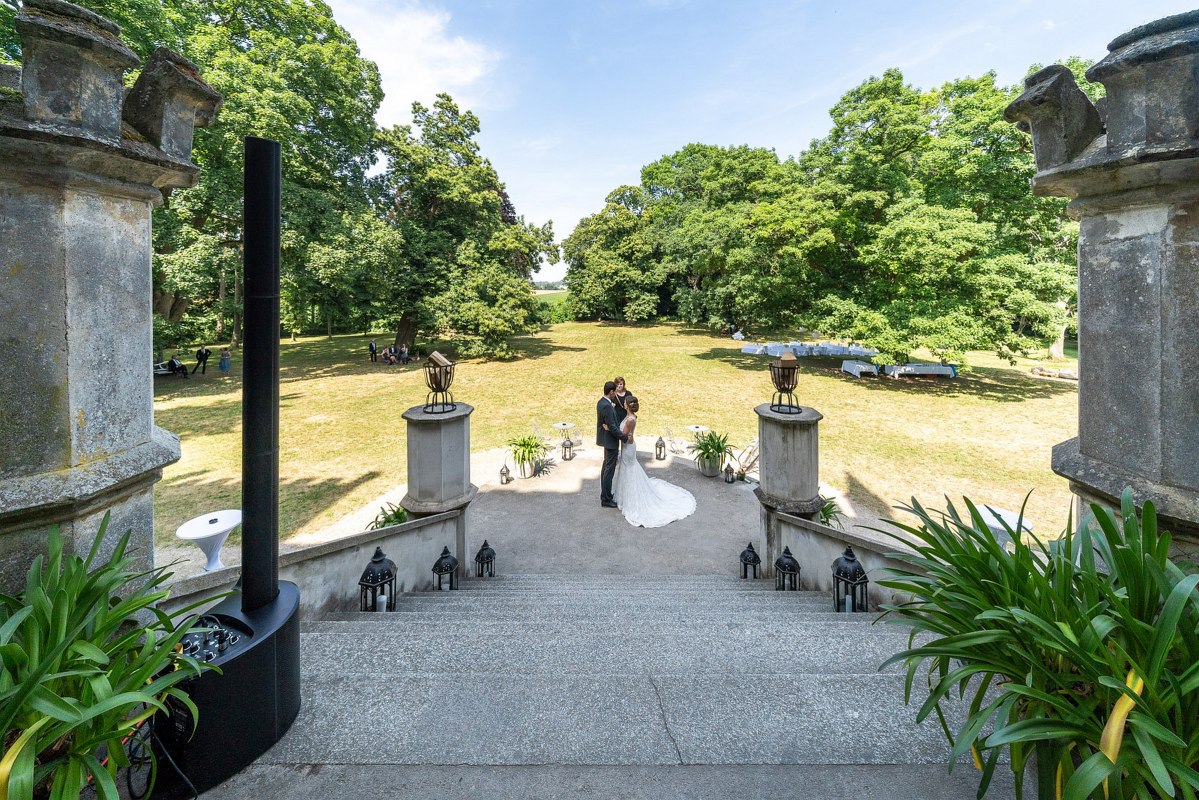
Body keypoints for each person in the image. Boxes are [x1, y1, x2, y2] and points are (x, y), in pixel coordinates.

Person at [614, 397, 696, 527]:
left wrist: (610, 429)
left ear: (628, 406)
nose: (623, 403)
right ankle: (625, 497)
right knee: (627, 469)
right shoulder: (630, 416)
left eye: (625, 403)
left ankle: (632, 499)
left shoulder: (630, 420)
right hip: (627, 447)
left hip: (628, 448)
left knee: (629, 469)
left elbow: (623, 435)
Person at [596, 380, 628, 508]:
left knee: (606, 468)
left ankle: (605, 495)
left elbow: (609, 425)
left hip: (606, 439)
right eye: (615, 391)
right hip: (610, 441)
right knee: (609, 470)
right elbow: (613, 427)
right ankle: (606, 498)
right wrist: (624, 437)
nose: (616, 393)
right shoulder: (607, 406)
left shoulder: (601, 402)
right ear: (611, 392)